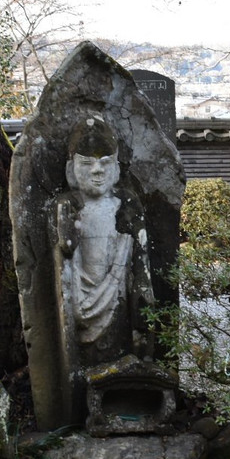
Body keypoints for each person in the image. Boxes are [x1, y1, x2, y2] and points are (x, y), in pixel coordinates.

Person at [50, 116, 155, 366]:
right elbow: (64, 251)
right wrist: (66, 235)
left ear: (117, 168)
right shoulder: (66, 204)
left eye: (105, 163)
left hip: (118, 292)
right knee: (83, 360)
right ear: (70, 170)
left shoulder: (127, 203)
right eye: (87, 163)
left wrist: (142, 285)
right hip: (79, 294)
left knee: (120, 346)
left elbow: (142, 256)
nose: (97, 171)